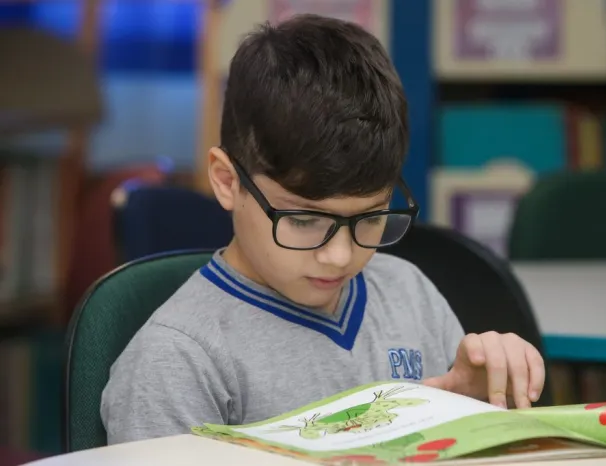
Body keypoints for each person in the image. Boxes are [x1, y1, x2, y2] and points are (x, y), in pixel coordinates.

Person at [101, 14, 545, 445]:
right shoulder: (177, 359)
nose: (340, 256)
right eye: (304, 220)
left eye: (370, 217)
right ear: (226, 181)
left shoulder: (410, 294)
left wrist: (477, 410)